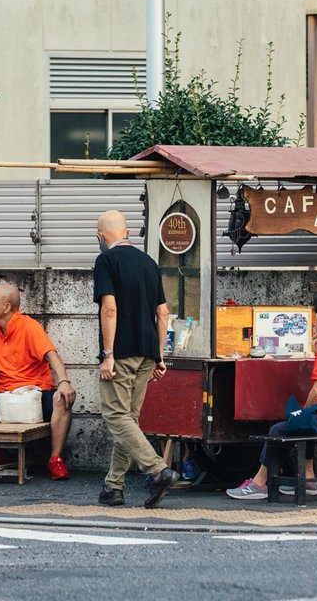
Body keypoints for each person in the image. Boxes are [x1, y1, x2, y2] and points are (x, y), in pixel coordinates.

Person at [227, 291, 317, 499]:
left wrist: (303, 413)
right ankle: (308, 480)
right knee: (308, 422)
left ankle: (259, 483)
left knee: (280, 428)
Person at [93, 209, 177, 509]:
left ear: (101, 236)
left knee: (115, 416)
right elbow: (163, 312)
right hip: (147, 352)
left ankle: (157, 471)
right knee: (128, 419)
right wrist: (159, 355)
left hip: (122, 351)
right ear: (126, 232)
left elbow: (110, 309)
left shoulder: (106, 261)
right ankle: (113, 487)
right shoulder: (148, 262)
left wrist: (108, 354)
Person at [0, 283, 76, 480]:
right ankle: (5, 456)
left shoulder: (29, 326)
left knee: (62, 399)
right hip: (6, 394)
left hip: (36, 391)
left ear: (7, 307)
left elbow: (52, 356)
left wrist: (63, 382)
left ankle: (55, 460)